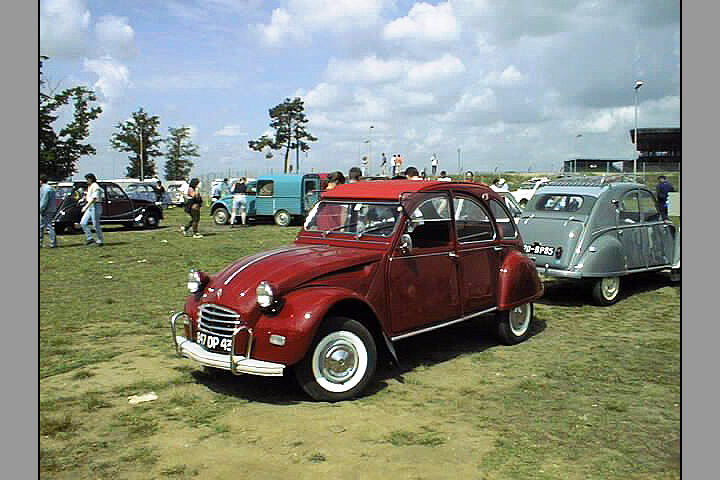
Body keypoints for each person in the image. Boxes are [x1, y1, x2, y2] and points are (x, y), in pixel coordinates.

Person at [80, 173, 105, 247]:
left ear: (91, 179)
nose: (86, 181)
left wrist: (85, 207)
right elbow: (88, 195)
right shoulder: (90, 186)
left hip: (95, 206)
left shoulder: (95, 186)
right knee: (83, 223)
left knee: (95, 225)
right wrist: (83, 199)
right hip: (90, 206)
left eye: (87, 179)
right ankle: (90, 238)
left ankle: (100, 240)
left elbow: (94, 198)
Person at [39, 174, 57, 248]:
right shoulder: (50, 188)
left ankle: (53, 243)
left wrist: (41, 210)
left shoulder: (44, 189)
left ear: (41, 181)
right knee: (42, 226)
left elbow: (44, 201)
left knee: (48, 227)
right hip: (51, 209)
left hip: (46, 210)